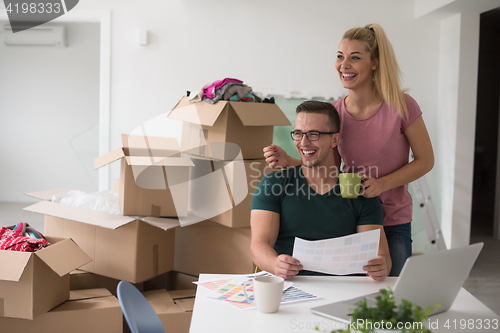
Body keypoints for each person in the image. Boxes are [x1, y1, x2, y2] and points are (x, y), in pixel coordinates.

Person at [263, 24, 434, 276]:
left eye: (355, 58)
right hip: (350, 219)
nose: (344, 65)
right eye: (340, 56)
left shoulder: (401, 105)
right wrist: (289, 160)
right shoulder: (335, 113)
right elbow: (327, 168)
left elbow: (425, 160)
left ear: (374, 63)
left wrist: (382, 184)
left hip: (392, 220)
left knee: (391, 300)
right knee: (351, 297)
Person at [251, 100, 391, 281]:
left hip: (341, 291)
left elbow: (381, 255)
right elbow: (259, 246)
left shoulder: (358, 191)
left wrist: (382, 265)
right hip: (287, 288)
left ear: (335, 140)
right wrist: (276, 264)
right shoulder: (273, 184)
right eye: (298, 134)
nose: (303, 142)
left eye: (313, 134)